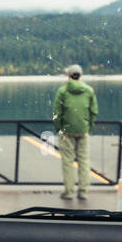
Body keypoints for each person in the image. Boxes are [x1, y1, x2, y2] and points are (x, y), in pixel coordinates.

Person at [53, 63, 97, 200]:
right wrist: (89, 128)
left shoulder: (62, 91)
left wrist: (59, 129)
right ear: (80, 76)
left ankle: (69, 192)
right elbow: (94, 112)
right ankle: (83, 191)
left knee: (67, 161)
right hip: (83, 131)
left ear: (68, 76)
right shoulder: (89, 91)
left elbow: (57, 113)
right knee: (84, 161)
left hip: (66, 131)